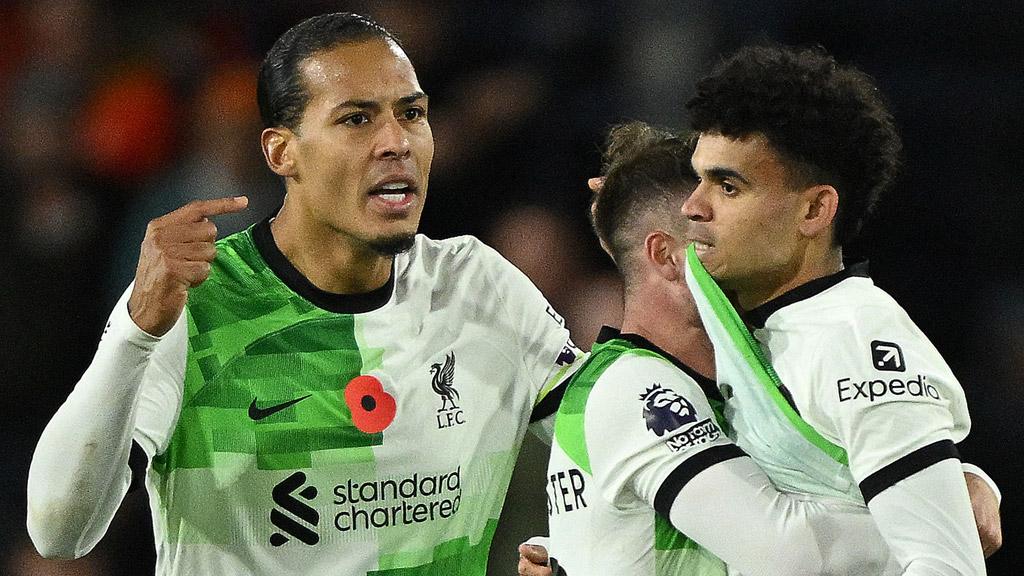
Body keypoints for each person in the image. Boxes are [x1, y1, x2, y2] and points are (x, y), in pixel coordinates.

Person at [27, 13, 585, 575]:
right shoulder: (195, 303)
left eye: (411, 114)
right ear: (281, 153)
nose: (396, 142)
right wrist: (135, 329)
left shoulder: (476, 285)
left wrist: (587, 553)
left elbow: (618, 437)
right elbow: (58, 531)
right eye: (357, 119)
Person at [681, 43, 991, 574]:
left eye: (728, 187)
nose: (692, 206)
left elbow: (947, 566)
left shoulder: (855, 338)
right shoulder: (730, 307)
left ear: (815, 209)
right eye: (698, 177)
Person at [542, 121, 901, 575]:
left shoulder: (733, 385)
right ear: (666, 256)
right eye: (711, 241)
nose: (739, 256)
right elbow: (790, 553)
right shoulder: (635, 387)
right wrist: (923, 514)